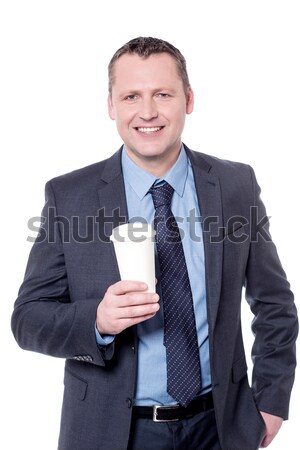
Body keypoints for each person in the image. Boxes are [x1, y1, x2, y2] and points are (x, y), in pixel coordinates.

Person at [11, 36, 298, 450]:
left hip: (219, 427)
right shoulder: (69, 196)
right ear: (112, 106)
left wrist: (271, 401)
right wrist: (97, 321)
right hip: (113, 432)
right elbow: (27, 320)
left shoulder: (235, 186)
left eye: (163, 94)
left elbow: (275, 305)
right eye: (131, 96)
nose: (147, 112)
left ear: (188, 99)